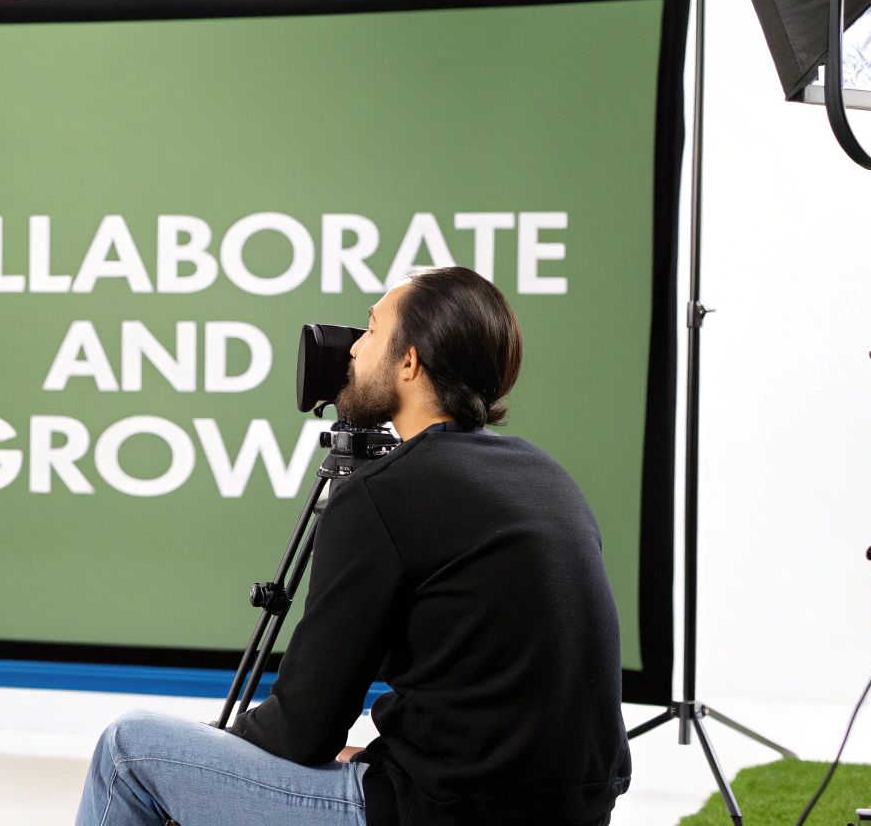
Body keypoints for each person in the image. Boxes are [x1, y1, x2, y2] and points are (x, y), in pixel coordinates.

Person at [76, 266, 632, 826]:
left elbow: (302, 729)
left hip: (439, 813)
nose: (353, 351)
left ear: (409, 361)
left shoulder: (383, 492)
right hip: (574, 809)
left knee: (129, 751)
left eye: (370, 329)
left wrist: (221, 745)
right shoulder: (545, 474)